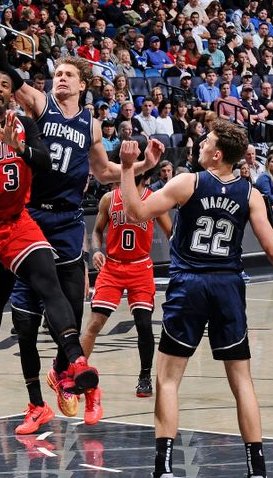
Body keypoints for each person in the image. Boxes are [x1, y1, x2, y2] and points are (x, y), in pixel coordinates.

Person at [0, 0, 163, 430]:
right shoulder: (40, 104)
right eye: (57, 74)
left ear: (82, 83)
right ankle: (35, 403)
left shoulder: (90, 123)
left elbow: (104, 170)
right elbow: (8, 75)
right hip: (29, 217)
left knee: (70, 315)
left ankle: (64, 375)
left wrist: (141, 166)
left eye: (69, 75)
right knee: (25, 321)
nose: (60, 79)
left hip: (68, 221)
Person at [115, 123, 273, 478]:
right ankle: (257, 470)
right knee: (242, 381)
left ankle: (164, 469)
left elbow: (136, 213)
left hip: (189, 284)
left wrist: (127, 167)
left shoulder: (188, 182)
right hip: (228, 286)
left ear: (217, 154)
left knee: (168, 380)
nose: (200, 145)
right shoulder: (250, 193)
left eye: (206, 142)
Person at [0, 71, 101, 426]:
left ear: (13, 94)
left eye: (4, 86)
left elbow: (43, 162)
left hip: (16, 221)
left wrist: (20, 147)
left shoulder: (25, 123)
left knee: (48, 283)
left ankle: (75, 361)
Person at [81, 172, 172, 405]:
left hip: (140, 267)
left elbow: (171, 232)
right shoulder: (109, 199)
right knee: (93, 324)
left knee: (143, 324)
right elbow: (97, 230)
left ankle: (144, 376)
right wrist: (96, 250)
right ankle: (77, 373)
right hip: (112, 267)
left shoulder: (154, 199)